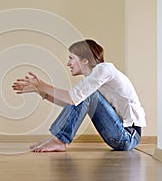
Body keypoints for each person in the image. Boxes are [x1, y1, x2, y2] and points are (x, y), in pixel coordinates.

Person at [12, 39, 146, 152]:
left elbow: (73, 99)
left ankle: (59, 140)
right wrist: (41, 91)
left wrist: (42, 85)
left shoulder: (103, 69)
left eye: (71, 58)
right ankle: (57, 139)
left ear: (85, 60)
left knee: (84, 96)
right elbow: (72, 104)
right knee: (80, 98)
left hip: (127, 136)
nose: (68, 63)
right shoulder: (93, 79)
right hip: (119, 136)